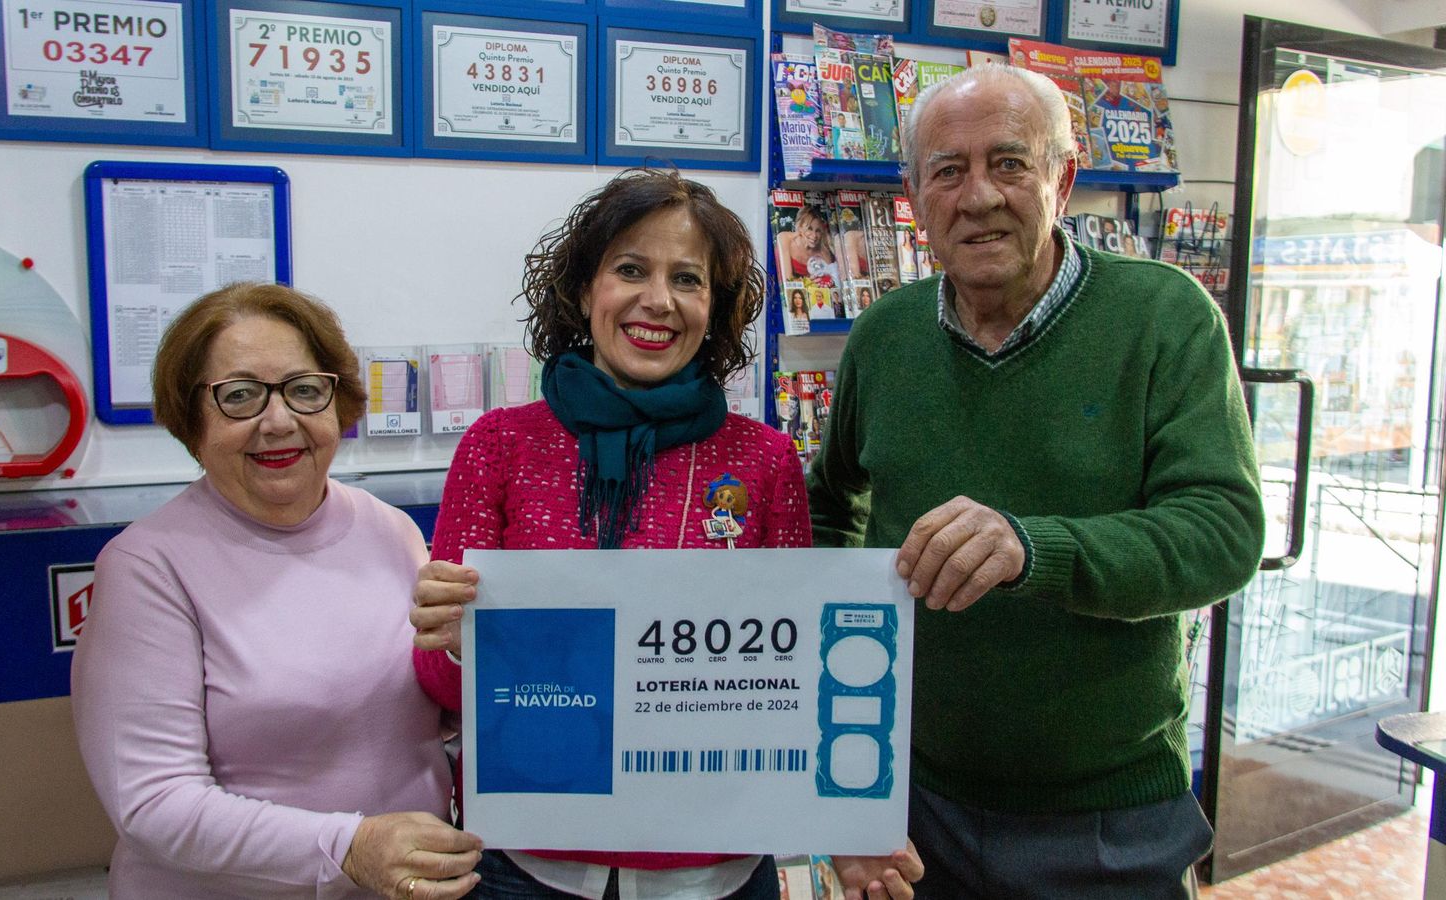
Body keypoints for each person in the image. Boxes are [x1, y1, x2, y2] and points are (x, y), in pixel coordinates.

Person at [807, 65, 1264, 899]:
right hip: (916, 806)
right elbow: (831, 507)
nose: (978, 195)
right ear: (914, 199)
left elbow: (1223, 529)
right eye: (948, 170)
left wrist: (1033, 548)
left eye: (1010, 163)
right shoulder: (883, 335)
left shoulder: (1165, 317)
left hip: (1108, 815)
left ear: (1065, 177)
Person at [410, 168, 922, 900]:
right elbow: (438, 684)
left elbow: (800, 672)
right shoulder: (500, 446)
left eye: (688, 278)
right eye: (629, 270)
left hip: (714, 872)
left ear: (715, 310)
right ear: (584, 291)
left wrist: (845, 824)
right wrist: (456, 636)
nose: (658, 300)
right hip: (529, 866)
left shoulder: (765, 460)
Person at [72, 284, 483, 900]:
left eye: (304, 389)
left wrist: (462, 654)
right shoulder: (148, 566)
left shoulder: (389, 529)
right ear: (192, 420)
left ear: (336, 401)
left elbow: (432, 710)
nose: (279, 421)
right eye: (239, 397)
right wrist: (350, 847)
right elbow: (154, 805)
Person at [775, 203, 839, 287]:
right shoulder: (785, 239)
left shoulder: (824, 254)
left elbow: (833, 284)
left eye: (818, 230)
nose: (814, 236)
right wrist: (809, 282)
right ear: (800, 226)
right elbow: (788, 281)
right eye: (809, 229)